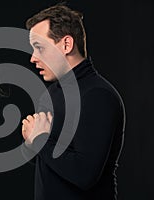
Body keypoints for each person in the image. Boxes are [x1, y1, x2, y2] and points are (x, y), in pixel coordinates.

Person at [21, 4, 125, 200]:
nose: (33, 58)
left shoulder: (98, 96)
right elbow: (43, 161)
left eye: (39, 48)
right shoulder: (51, 94)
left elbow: (84, 175)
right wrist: (31, 141)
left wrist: (39, 140)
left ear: (66, 45)